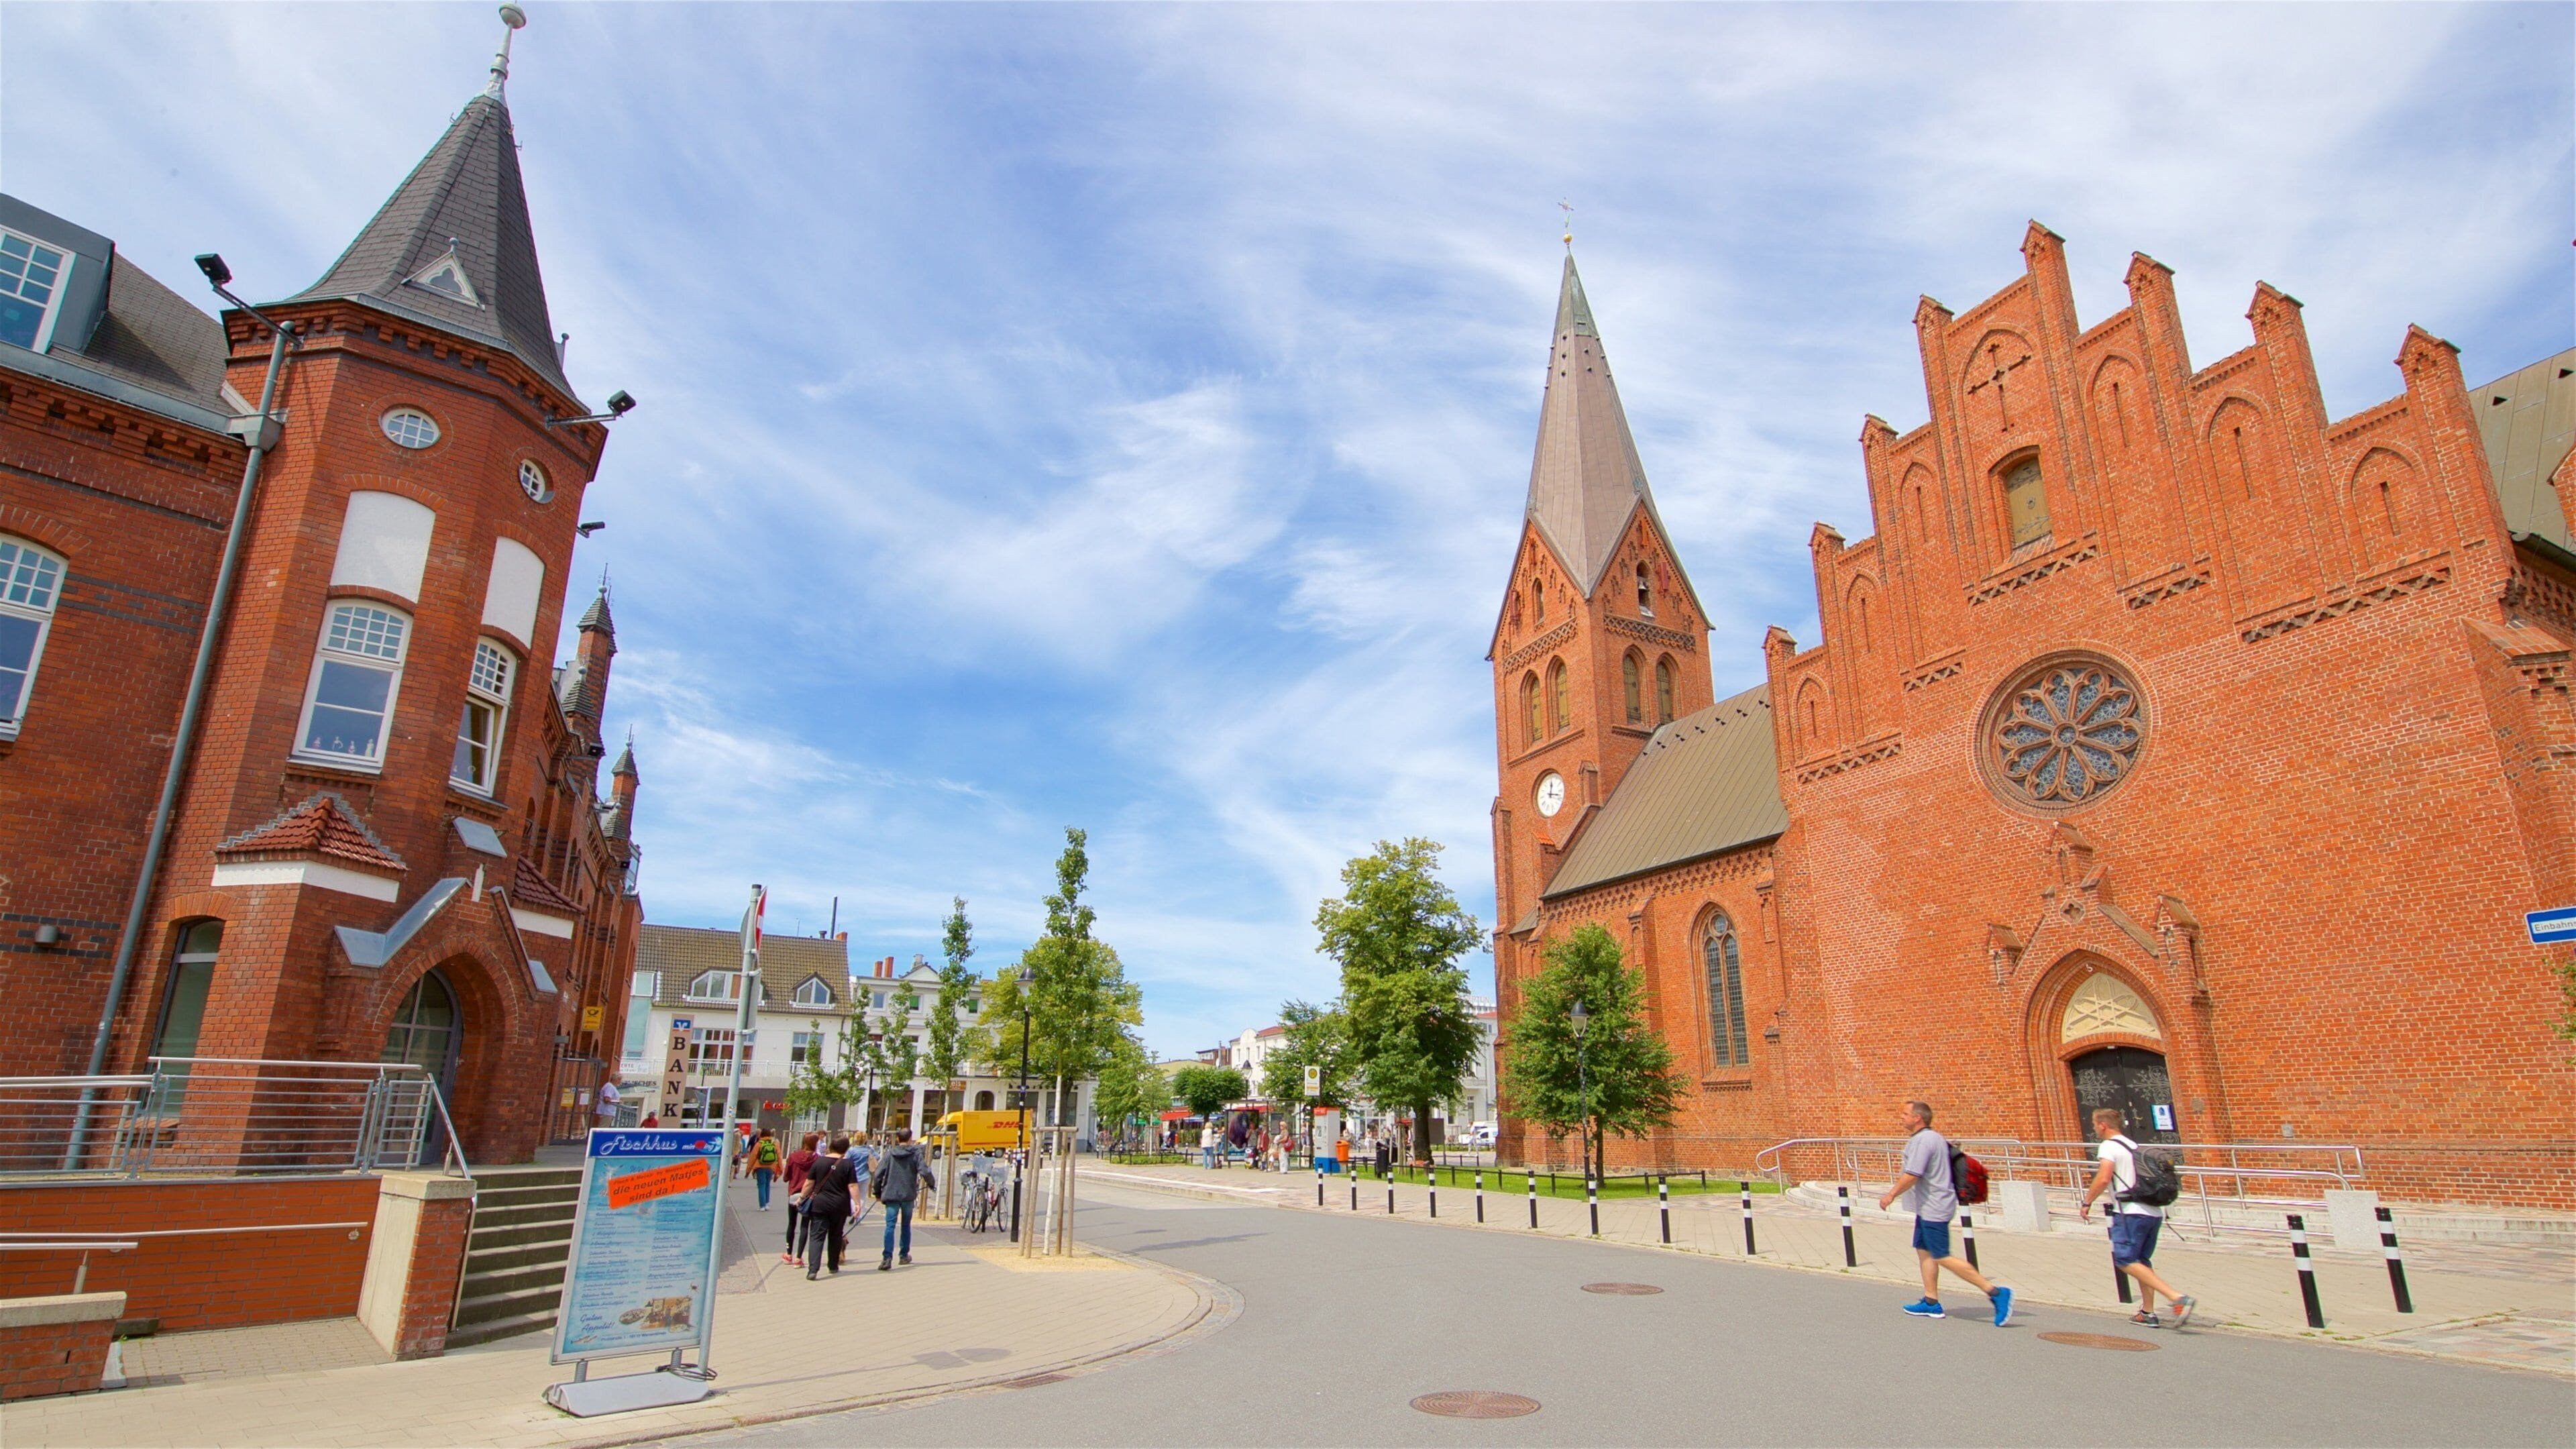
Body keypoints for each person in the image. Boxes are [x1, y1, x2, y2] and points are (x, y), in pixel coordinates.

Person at [1878, 1099, 2012, 1326]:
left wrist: (1891, 1195)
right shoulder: (1930, 1138)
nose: (1901, 1117)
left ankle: (1996, 1293)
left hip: (1934, 1206)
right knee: (1924, 1250)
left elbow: (1913, 1174)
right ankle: (1931, 1302)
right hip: (1927, 1206)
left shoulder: (1924, 1141)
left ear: (1917, 1118)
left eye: (1905, 1114)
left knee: (1941, 1255)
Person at [2080, 1106, 2196, 1328]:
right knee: (2142, 1262)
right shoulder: (2133, 1146)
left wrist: (2087, 1202)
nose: (2095, 1128)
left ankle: (2177, 1298)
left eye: (2095, 1125)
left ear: (2103, 1125)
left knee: (2124, 1259)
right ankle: (2148, 1312)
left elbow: (2104, 1178)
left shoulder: (2108, 1147)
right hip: (2152, 1212)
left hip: (2130, 1212)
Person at [796, 1135, 859, 1279]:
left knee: (817, 1236)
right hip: (840, 1205)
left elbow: (809, 1183)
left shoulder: (819, 1161)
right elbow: (853, 1185)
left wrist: (801, 1198)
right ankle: (833, 1265)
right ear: (846, 1149)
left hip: (820, 1204)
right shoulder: (848, 1164)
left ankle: (813, 1269)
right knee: (836, 1235)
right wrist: (857, 1203)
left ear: (831, 1146)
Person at [872, 1128, 925, 1270]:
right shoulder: (915, 1154)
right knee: (906, 1225)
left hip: (891, 1194)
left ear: (897, 1139)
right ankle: (903, 1255)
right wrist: (931, 1184)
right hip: (908, 1194)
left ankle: (887, 1258)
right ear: (910, 1139)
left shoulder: (890, 1155)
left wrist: (877, 1192)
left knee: (890, 1225)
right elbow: (924, 1170)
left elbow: (878, 1174)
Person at [780, 1132, 820, 1265]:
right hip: (809, 1196)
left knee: (791, 1224)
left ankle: (788, 1254)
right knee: (805, 1226)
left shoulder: (793, 1157)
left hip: (793, 1194)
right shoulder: (818, 1159)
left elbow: (786, 1177)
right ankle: (799, 1257)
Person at [749, 1128, 782, 1210]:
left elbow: (753, 1157)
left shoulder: (759, 1144)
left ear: (762, 1135)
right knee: (767, 1185)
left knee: (761, 1185)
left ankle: (762, 1206)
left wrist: (748, 1170)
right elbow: (779, 1156)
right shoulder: (774, 1143)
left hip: (760, 1167)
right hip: (771, 1167)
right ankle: (767, 1204)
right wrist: (781, 1168)